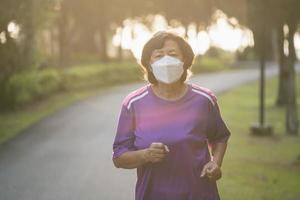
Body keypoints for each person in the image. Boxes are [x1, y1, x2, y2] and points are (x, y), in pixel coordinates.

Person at [112, 31, 231, 200]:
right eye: (158, 56)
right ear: (149, 63)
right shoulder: (134, 103)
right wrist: (145, 155)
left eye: (173, 54)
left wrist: (215, 163)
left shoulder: (204, 100)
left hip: (199, 194)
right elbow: (119, 157)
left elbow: (220, 137)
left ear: (185, 60)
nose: (166, 61)